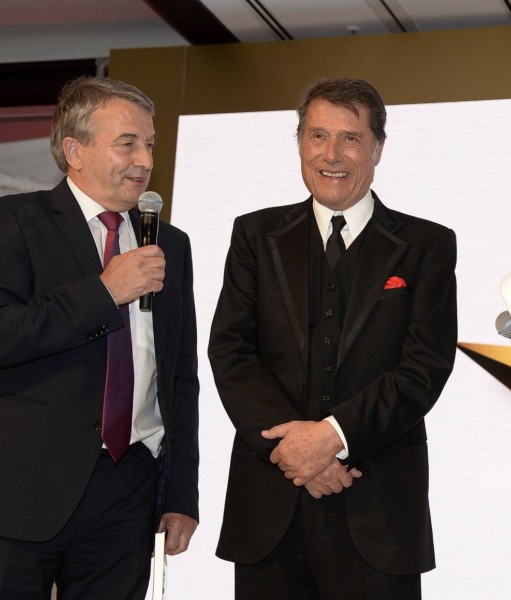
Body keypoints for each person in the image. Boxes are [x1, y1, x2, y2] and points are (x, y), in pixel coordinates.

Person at [208, 77, 457, 599]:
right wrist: (294, 453)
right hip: (269, 513)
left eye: (350, 138)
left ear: (378, 149)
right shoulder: (254, 235)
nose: (332, 154)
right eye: (318, 136)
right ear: (300, 143)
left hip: (379, 511)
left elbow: (423, 368)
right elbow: (231, 351)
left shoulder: (426, 245)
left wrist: (330, 439)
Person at [0, 76, 199, 599]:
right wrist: (103, 291)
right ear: (74, 150)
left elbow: (180, 376)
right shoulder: (12, 221)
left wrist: (181, 493)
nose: (144, 159)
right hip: (19, 488)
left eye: (150, 144)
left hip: (128, 492)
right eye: (127, 143)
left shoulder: (170, 244)